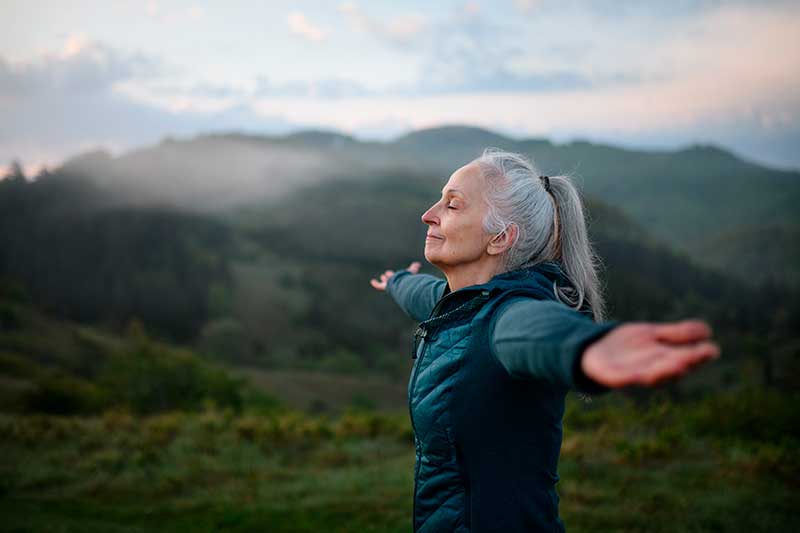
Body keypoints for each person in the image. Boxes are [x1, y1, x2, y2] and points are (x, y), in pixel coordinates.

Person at [369, 148, 720, 532]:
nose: (428, 214)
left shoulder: (507, 315)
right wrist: (397, 282)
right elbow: (425, 295)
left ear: (500, 238)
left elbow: (535, 330)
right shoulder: (459, 304)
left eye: (452, 205)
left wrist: (585, 347)